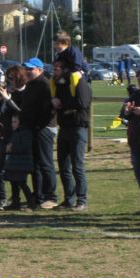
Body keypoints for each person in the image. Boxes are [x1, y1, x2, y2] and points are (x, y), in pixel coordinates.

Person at [51, 59, 92, 211]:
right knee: (63, 166)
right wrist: (53, 101)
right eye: (53, 68)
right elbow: (57, 104)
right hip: (64, 127)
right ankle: (69, 199)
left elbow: (82, 103)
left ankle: (82, 200)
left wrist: (62, 103)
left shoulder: (80, 83)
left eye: (57, 68)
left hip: (78, 128)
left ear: (65, 70)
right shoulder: (59, 85)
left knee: (77, 166)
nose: (54, 71)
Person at [22, 57, 57, 209]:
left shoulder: (45, 85)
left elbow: (48, 110)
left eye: (31, 69)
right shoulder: (29, 85)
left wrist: (39, 125)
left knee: (45, 163)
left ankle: (51, 196)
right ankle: (38, 195)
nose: (28, 72)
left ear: (40, 70)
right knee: (35, 164)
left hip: (44, 128)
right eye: (27, 69)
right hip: (32, 128)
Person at [122, 67, 140, 216]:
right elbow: (123, 114)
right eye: (138, 81)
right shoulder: (134, 95)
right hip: (136, 143)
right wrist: (126, 111)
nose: (139, 84)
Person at [3, 114, 35, 211]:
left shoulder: (26, 133)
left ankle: (31, 201)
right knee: (13, 182)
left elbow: (25, 147)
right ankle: (15, 203)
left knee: (21, 182)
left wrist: (11, 148)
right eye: (12, 122)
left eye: (15, 122)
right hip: (14, 161)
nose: (13, 124)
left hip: (22, 162)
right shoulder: (15, 132)